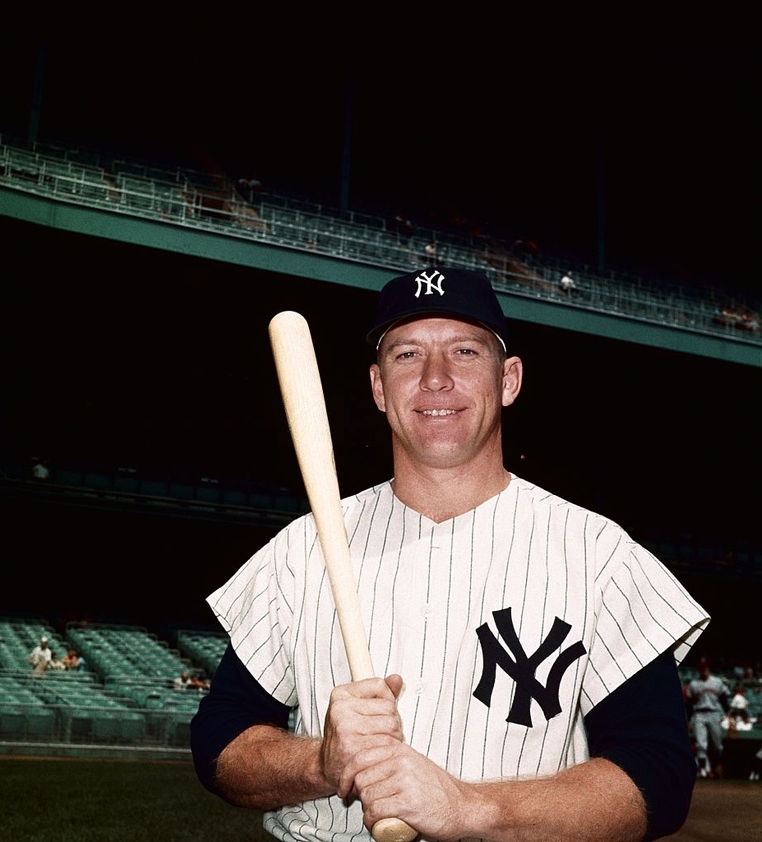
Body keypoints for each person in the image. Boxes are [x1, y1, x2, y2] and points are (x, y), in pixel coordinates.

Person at [191, 268, 709, 842]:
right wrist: (320, 764)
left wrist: (469, 808)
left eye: (464, 351)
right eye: (408, 355)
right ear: (378, 387)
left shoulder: (599, 555)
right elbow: (221, 741)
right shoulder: (301, 549)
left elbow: (658, 778)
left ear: (509, 379)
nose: (436, 378)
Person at [684, 659, 731, 778]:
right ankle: (704, 770)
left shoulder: (717, 682)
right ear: (699, 669)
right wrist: (688, 720)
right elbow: (689, 704)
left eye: (706, 667)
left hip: (714, 713)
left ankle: (716, 766)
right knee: (701, 744)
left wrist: (728, 713)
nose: (704, 669)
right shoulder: (694, 684)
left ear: (708, 668)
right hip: (699, 714)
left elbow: (723, 699)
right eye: (702, 667)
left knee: (717, 745)